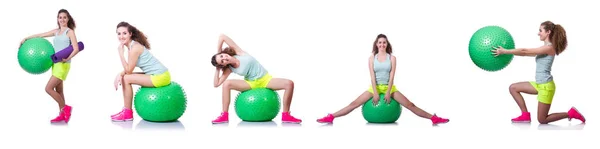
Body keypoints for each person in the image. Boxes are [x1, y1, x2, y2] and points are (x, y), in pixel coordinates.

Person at [316, 34, 450, 125]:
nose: (382, 44)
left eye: (384, 42)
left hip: (389, 87)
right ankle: (331, 117)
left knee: (410, 105)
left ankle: (434, 118)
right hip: (375, 87)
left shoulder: (392, 58)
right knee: (353, 104)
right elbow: (372, 76)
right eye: (379, 42)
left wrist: (388, 92)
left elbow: (392, 76)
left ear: (387, 44)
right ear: (376, 44)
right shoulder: (371, 58)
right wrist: (375, 92)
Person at [492, 21, 585, 124]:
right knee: (513, 88)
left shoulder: (549, 48)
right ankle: (525, 115)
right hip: (539, 84)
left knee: (542, 119)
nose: (538, 33)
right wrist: (508, 53)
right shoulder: (544, 48)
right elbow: (525, 54)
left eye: (541, 30)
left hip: (546, 86)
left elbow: (525, 51)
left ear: (548, 32)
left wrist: (505, 51)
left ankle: (571, 113)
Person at [210, 34, 302, 124]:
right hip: (251, 83)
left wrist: (218, 53)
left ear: (223, 53)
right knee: (227, 84)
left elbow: (222, 37)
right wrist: (217, 69)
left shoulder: (239, 52)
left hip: (265, 80)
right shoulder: (229, 69)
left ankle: (286, 115)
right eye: (222, 61)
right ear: (223, 65)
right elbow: (216, 84)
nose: (224, 58)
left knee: (289, 84)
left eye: (222, 56)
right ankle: (224, 115)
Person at [19, 9, 80, 123]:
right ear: (57, 19)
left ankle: (65, 108)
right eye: (60, 17)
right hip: (55, 63)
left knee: (48, 88)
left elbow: (76, 48)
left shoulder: (69, 32)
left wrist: (67, 58)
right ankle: (62, 115)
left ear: (68, 19)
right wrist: (26, 38)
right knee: (59, 90)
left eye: (64, 17)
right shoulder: (56, 31)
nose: (62, 19)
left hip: (63, 64)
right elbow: (41, 35)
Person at [111, 21, 171, 121]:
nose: (121, 36)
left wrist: (121, 54)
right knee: (124, 77)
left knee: (126, 78)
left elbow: (129, 70)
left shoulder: (134, 48)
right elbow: (129, 68)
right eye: (119, 33)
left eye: (124, 33)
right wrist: (119, 74)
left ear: (130, 34)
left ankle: (127, 113)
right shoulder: (131, 46)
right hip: (157, 74)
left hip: (160, 77)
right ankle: (126, 112)